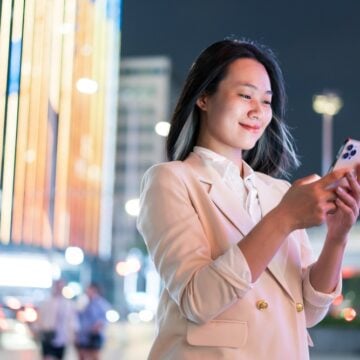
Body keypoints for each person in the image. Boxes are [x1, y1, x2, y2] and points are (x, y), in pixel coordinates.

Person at [136, 39, 360, 360]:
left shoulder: (279, 192)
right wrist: (284, 219)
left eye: (267, 101)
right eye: (245, 95)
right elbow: (198, 300)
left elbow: (309, 312)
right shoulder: (170, 179)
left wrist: (336, 237)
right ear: (203, 97)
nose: (258, 111)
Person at [35, 279, 78, 360]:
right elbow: (40, 318)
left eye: (61, 286)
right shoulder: (46, 302)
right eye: (57, 286)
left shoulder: (68, 304)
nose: (59, 288)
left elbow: (72, 320)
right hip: (48, 335)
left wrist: (73, 335)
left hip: (62, 337)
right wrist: (37, 330)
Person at [75, 283, 110, 360]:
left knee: (95, 355)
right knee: (82, 355)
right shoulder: (83, 302)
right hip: (83, 336)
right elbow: (77, 317)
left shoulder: (101, 303)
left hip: (95, 335)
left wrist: (99, 325)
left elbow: (104, 319)